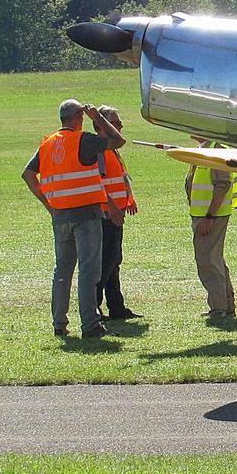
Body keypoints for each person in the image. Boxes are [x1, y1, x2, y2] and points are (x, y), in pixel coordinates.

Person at [23, 99, 124, 338]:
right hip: (87, 214)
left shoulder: (48, 143)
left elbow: (28, 174)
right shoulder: (83, 139)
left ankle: (59, 324)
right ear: (79, 117)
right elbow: (119, 141)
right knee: (89, 271)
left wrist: (48, 203)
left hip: (60, 216)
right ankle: (90, 324)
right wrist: (97, 118)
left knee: (62, 271)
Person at [95, 113, 141, 321]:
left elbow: (120, 178)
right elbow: (98, 182)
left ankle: (116, 306)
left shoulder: (112, 150)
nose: (121, 125)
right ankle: (93, 306)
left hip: (115, 213)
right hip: (106, 214)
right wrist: (113, 206)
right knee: (106, 260)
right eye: (116, 122)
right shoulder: (101, 150)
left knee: (114, 260)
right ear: (103, 125)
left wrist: (128, 199)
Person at [185, 145, 237, 320]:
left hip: (210, 216)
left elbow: (222, 185)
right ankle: (225, 305)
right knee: (214, 259)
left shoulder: (216, 149)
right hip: (205, 215)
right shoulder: (204, 148)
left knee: (207, 261)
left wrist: (209, 217)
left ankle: (219, 308)